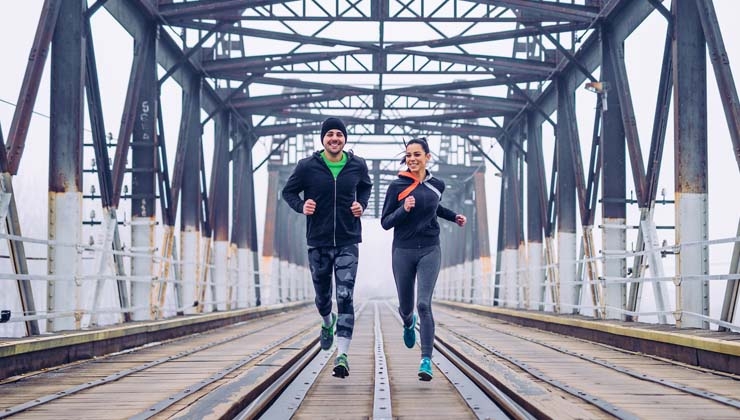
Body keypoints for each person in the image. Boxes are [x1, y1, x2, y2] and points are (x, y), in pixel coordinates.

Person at [282, 116, 372, 378]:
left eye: (339, 134)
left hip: (347, 240)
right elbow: (288, 193)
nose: (335, 138)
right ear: (322, 139)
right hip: (318, 241)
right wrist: (302, 206)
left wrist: (362, 205)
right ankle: (326, 321)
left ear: (345, 139)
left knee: (344, 297)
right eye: (330, 134)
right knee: (323, 297)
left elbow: (366, 187)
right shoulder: (307, 166)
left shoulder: (357, 165)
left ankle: (342, 355)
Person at [380, 137, 467, 381]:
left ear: (427, 157)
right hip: (403, 251)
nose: (412, 159)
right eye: (408, 155)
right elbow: (385, 222)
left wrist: (454, 216)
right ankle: (408, 323)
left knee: (424, 304)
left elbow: (435, 207)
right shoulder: (397, 186)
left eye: (417, 154)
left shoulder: (437, 184)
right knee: (407, 308)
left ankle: (426, 360)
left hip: (430, 248)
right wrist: (403, 209)